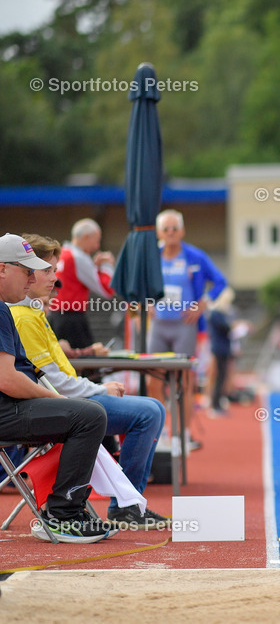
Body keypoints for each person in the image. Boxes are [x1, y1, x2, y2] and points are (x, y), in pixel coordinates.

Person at [11, 234, 170, 530]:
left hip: (62, 401)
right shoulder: (25, 317)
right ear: (27, 274)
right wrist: (99, 388)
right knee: (148, 413)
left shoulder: (34, 313)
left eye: (55, 271)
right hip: (59, 405)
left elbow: (56, 373)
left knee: (154, 408)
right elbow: (53, 382)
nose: (56, 280)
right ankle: (124, 506)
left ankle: (127, 503)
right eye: (48, 271)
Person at [0, 233, 115, 543]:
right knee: (90, 416)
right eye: (27, 271)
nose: (32, 279)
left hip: (8, 406)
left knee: (85, 412)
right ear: (2, 270)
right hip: (5, 410)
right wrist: (54, 396)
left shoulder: (8, 310)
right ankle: (63, 514)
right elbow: (7, 379)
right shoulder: (4, 311)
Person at [147, 209, 227, 447]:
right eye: (166, 229)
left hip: (185, 325)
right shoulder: (153, 256)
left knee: (184, 380)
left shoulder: (194, 256)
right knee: (154, 380)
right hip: (159, 324)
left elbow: (220, 282)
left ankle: (182, 434)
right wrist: (145, 303)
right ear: (159, 232)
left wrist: (202, 305)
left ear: (181, 231)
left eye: (174, 228)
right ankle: (158, 434)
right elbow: (138, 285)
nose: (170, 233)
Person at [49, 218, 116, 351]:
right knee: (87, 362)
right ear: (86, 237)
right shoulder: (78, 257)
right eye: (96, 241)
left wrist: (95, 269)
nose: (97, 246)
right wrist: (108, 265)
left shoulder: (61, 253)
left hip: (55, 315)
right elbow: (107, 289)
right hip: (72, 319)